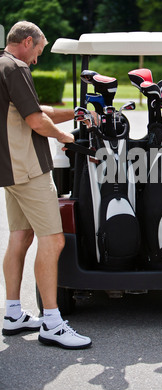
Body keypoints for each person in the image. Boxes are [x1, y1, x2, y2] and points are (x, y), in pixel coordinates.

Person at [0, 21, 91, 349]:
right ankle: (52, 321)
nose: (38, 57)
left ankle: (12, 313)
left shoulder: (3, 64)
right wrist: (69, 138)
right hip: (29, 169)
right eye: (38, 50)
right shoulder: (17, 67)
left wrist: (76, 114)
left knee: (20, 237)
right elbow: (37, 121)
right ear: (27, 42)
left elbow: (36, 110)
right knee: (53, 241)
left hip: (10, 170)